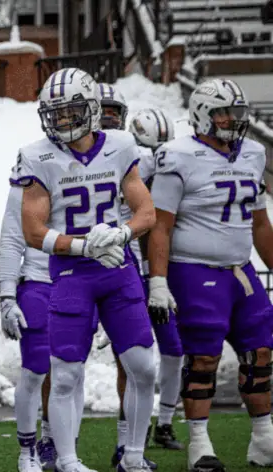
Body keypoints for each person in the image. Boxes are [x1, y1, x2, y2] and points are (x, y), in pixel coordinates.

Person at [12, 67, 157, 472]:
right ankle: (68, 461)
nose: (61, 121)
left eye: (70, 110)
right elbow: (32, 230)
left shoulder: (121, 146)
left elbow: (146, 213)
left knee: (145, 368)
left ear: (92, 107)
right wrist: (82, 245)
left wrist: (118, 235)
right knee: (64, 375)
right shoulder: (37, 155)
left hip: (117, 268)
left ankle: (132, 455)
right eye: (54, 113)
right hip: (72, 274)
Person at [147, 78, 273, 471]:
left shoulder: (253, 153)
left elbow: (260, 225)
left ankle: (264, 439)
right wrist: (158, 280)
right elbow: (160, 226)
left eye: (236, 112)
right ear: (202, 113)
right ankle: (199, 444)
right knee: (203, 358)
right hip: (194, 270)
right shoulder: (178, 155)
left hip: (241, 271)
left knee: (262, 353)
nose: (231, 120)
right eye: (222, 112)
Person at [95, 84, 160, 470]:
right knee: (61, 359)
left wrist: (156, 275)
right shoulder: (66, 152)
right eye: (99, 108)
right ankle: (53, 444)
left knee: (132, 359)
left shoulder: (138, 156)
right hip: (78, 259)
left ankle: (126, 447)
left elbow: (154, 215)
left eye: (112, 109)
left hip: (126, 258)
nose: (106, 116)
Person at [126, 107, 183, 453]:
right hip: (130, 271)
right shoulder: (124, 168)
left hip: (159, 274)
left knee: (174, 351)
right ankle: (133, 431)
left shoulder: (171, 173)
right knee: (135, 358)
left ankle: (163, 423)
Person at [0, 153, 53, 472]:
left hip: (81, 282)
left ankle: (58, 445)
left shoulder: (96, 167)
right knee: (35, 370)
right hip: (37, 280)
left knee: (71, 374)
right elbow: (10, 240)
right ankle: (27, 449)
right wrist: (7, 295)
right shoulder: (30, 174)